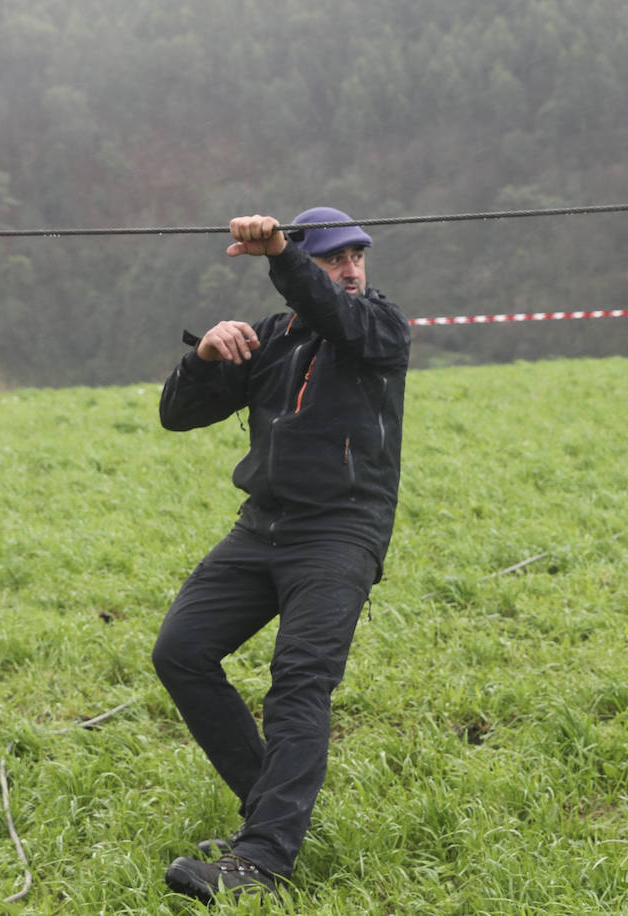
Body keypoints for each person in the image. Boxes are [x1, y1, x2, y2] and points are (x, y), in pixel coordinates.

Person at [152, 207, 410, 903]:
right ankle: (268, 814)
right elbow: (177, 415)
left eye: (357, 255)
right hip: (261, 528)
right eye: (334, 258)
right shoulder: (269, 339)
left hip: (341, 532)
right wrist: (203, 356)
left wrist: (280, 255)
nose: (351, 268)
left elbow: (332, 310)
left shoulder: (378, 326)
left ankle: (262, 861)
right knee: (180, 651)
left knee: (299, 682)